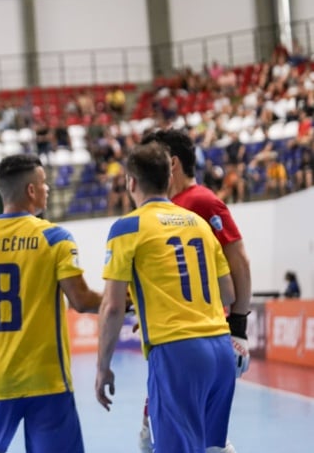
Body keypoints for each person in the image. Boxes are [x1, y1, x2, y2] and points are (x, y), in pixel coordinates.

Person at [0, 154, 102, 453]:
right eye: (44, 184)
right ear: (31, 190)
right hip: (48, 381)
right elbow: (81, 301)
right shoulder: (55, 238)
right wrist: (126, 299)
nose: (47, 189)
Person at [96, 142, 237, 453]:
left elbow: (113, 307)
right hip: (221, 349)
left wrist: (102, 366)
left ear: (131, 182)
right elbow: (228, 292)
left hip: (178, 352)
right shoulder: (198, 224)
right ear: (169, 178)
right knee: (214, 448)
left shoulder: (127, 227)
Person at [137, 128, 252, 452]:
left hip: (199, 337)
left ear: (171, 164)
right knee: (179, 433)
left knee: (190, 437)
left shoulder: (200, 201)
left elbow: (239, 260)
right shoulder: (168, 207)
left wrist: (239, 327)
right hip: (177, 339)